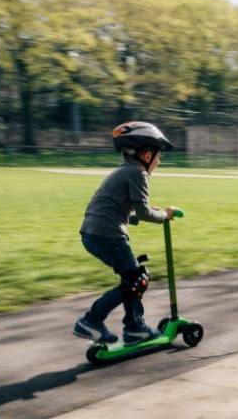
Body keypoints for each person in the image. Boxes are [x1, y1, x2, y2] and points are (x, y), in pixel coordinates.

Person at [72, 121, 177, 345]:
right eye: (158, 157)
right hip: (108, 234)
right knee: (137, 279)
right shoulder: (139, 174)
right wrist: (165, 216)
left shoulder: (123, 171)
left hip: (93, 232)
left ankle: (134, 327)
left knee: (133, 278)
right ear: (147, 156)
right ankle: (93, 321)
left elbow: (126, 211)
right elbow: (144, 212)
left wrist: (149, 213)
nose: (159, 162)